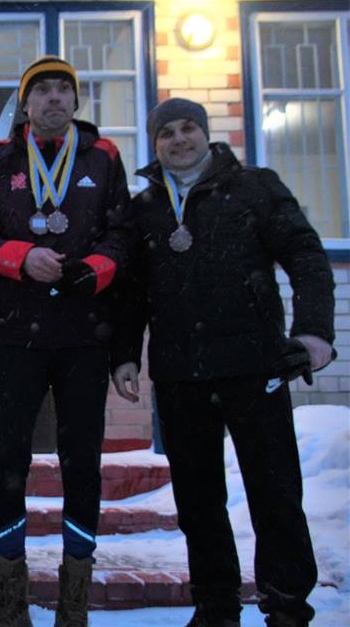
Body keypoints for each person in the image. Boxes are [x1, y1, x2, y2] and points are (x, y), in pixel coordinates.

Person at [110, 98, 335, 627]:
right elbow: (131, 296)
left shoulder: (256, 187)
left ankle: (286, 607)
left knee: (275, 495)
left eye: (188, 128)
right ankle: (215, 606)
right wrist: (123, 356)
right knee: (198, 502)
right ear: (155, 143)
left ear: (206, 135)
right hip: (180, 374)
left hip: (255, 367)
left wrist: (314, 331)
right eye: (167, 133)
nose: (179, 140)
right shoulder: (146, 208)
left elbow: (305, 255)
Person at [0, 55, 133, 627]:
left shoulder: (103, 158)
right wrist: (20, 257)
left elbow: (124, 235)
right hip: (15, 338)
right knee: (7, 461)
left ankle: (72, 602)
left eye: (64, 90)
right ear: (25, 103)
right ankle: (12, 601)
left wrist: (96, 268)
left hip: (85, 337)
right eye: (42, 91)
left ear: (75, 102)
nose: (54, 99)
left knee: (82, 464)